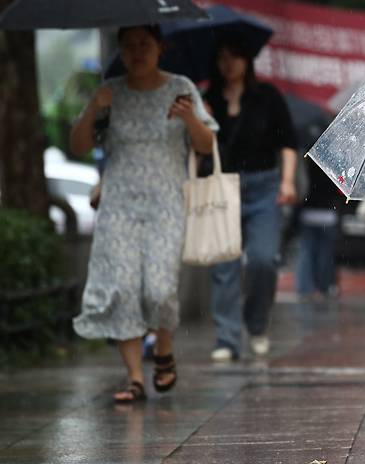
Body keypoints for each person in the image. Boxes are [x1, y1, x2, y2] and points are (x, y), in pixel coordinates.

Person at [70, 25, 217, 403]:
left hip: (166, 203)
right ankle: (134, 378)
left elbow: (205, 144)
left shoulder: (179, 87)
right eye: (129, 45)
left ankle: (164, 346)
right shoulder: (110, 92)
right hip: (118, 204)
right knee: (122, 290)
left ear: (160, 48)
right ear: (120, 50)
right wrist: (92, 108)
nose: (137, 52)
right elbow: (80, 145)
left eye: (145, 44)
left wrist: (189, 118)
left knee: (159, 288)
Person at [203, 37, 298, 362]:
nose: (228, 63)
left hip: (264, 186)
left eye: (235, 56)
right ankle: (227, 338)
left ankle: (256, 324)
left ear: (247, 60)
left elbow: (288, 141)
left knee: (263, 259)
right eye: (222, 57)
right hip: (223, 188)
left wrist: (286, 181)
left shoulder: (267, 96)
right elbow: (199, 148)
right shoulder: (208, 99)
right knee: (224, 266)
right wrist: (199, 120)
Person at [296, 161, 341, 300]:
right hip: (327, 214)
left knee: (306, 252)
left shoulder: (307, 158)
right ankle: (324, 286)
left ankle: (306, 288)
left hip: (308, 211)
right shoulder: (333, 162)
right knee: (325, 254)